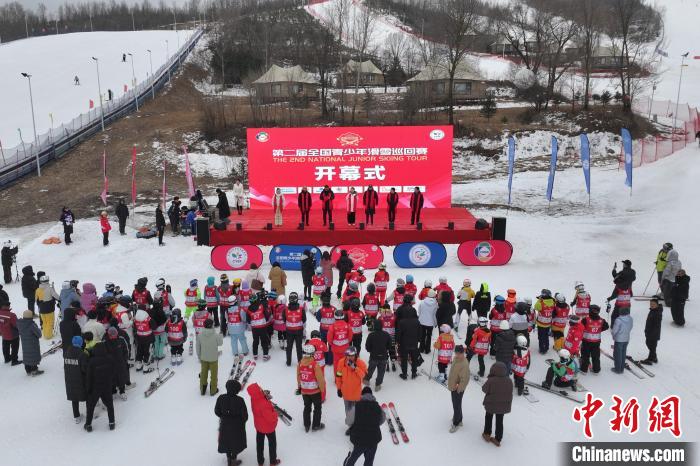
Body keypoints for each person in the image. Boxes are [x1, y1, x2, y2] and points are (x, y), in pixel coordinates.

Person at [343, 386, 385, 466]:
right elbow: (382, 420)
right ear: (372, 396)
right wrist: (374, 424)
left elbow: (348, 421)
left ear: (361, 395)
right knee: (369, 461)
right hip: (373, 440)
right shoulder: (378, 408)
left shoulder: (356, 407)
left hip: (358, 440)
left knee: (352, 458)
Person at [84, 341, 116, 432]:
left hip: (95, 387)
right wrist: (111, 382)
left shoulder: (92, 361)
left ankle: (88, 425)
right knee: (110, 405)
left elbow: (89, 377)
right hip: (107, 386)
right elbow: (113, 371)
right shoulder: (110, 359)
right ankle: (112, 423)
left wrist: (88, 389)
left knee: (91, 406)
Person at [247, 383, 281, 466]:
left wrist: (264, 394)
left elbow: (259, 396)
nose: (261, 389)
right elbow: (271, 418)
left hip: (259, 426)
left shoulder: (253, 399)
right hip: (268, 428)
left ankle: (260, 461)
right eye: (259, 389)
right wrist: (276, 413)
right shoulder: (263, 404)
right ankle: (273, 462)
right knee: (272, 444)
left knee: (259, 444)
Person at [215, 380, 248, 466]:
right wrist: (241, 422)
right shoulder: (240, 400)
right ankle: (233, 461)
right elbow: (245, 415)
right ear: (237, 390)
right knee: (235, 443)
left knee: (227, 442)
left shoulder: (221, 398)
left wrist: (223, 417)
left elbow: (217, 411)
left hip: (224, 425)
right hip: (237, 427)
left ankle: (229, 460)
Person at [481, 361, 513, 447]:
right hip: (503, 406)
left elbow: (484, 389)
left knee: (488, 418)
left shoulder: (491, 380)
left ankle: (487, 434)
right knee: (500, 421)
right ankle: (498, 439)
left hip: (491, 404)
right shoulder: (509, 381)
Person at [337, 347, 368, 430]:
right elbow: (338, 376)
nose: (350, 357)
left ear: (355, 355)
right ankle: (350, 427)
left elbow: (364, 376)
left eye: (352, 355)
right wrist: (339, 388)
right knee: (348, 411)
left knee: (356, 411)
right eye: (348, 356)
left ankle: (357, 426)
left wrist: (355, 368)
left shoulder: (360, 363)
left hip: (356, 394)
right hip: (345, 393)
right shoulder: (341, 362)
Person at [298, 344, 326, 432]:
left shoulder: (300, 364)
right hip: (315, 392)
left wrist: (300, 387)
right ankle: (316, 425)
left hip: (304, 391)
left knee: (307, 407)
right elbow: (320, 379)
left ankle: (306, 425)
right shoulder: (315, 365)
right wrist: (322, 389)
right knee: (317, 408)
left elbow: (298, 377)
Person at [63, 335, 88, 423]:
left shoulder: (66, 352)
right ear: (81, 343)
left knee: (74, 398)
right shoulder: (82, 354)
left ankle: (76, 416)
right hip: (81, 380)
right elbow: (85, 369)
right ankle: (89, 413)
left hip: (70, 379)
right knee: (87, 396)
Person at [198, 319, 224, 396]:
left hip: (203, 358)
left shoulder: (200, 335)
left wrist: (199, 356)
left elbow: (198, 347)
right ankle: (213, 390)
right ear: (212, 325)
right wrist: (221, 335)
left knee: (203, 373)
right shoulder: (215, 335)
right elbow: (220, 343)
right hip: (213, 358)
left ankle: (202, 390)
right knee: (214, 375)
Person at [579, 305, 608, 374]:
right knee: (596, 356)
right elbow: (606, 326)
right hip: (596, 342)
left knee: (585, 355)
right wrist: (599, 330)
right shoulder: (602, 320)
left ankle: (584, 370)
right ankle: (596, 370)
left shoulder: (585, 319)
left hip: (586, 341)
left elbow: (580, 327)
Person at [364, 318, 391, 391]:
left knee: (370, 369)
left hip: (373, 356)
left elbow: (367, 346)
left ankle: (366, 380)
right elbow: (389, 345)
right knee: (381, 372)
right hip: (384, 356)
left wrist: (371, 351)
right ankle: (378, 384)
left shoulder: (371, 335)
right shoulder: (386, 334)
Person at [447, 345, 470, 433]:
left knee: (456, 405)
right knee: (456, 403)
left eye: (458, 353)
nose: (456, 354)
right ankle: (459, 419)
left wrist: (459, 388)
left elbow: (465, 379)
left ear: (462, 353)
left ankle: (456, 423)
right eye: (455, 353)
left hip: (458, 388)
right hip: (453, 386)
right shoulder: (456, 359)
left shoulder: (464, 363)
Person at [396, 301, 421, 380]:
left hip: (404, 344)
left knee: (404, 359)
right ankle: (414, 373)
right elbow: (420, 332)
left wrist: (398, 341)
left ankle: (404, 374)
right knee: (414, 358)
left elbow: (399, 333)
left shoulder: (401, 322)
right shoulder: (417, 321)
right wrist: (419, 340)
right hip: (414, 343)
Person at [105, 327, 129, 399]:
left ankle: (122, 391)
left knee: (121, 378)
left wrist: (125, 360)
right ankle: (113, 391)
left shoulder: (121, 339)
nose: (115, 336)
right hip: (110, 365)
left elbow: (126, 350)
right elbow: (103, 353)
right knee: (112, 379)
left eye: (115, 334)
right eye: (113, 335)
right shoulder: (105, 342)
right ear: (109, 335)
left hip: (121, 364)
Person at [284, 292, 306, 366]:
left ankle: (288, 362)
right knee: (299, 346)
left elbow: (284, 319)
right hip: (298, 330)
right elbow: (304, 319)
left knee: (289, 346)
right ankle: (300, 362)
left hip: (289, 330)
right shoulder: (301, 309)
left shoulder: (286, 309)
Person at [246, 294, 271, 360]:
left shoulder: (248, 308)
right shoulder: (261, 306)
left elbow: (248, 320)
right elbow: (266, 314)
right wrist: (267, 319)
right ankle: (265, 355)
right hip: (262, 326)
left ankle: (255, 354)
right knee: (264, 341)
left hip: (254, 328)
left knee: (255, 341)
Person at [18, 310, 42, 376]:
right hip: (33, 343)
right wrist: (38, 329)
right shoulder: (31, 325)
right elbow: (39, 334)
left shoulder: (20, 324)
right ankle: (34, 370)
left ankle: (28, 370)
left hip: (24, 343)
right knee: (33, 355)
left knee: (27, 355)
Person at [328, 308, 352, 373]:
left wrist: (332, 344)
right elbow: (350, 338)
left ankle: (337, 378)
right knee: (345, 363)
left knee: (336, 364)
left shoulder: (332, 327)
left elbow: (329, 340)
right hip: (345, 348)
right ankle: (345, 377)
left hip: (335, 349)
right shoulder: (348, 325)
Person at [36, 274, 58, 339]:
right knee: (50, 322)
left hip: (41, 308)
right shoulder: (50, 289)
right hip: (49, 308)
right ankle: (48, 336)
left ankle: (45, 334)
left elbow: (36, 299)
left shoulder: (38, 289)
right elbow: (56, 296)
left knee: (44, 322)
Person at [611, 307, 633, 374]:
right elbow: (631, 327)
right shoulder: (630, 318)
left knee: (618, 354)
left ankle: (617, 369)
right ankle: (621, 368)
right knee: (623, 354)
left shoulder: (618, 320)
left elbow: (614, 330)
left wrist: (613, 335)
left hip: (619, 339)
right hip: (626, 338)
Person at [642, 297, 662, 365]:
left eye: (653, 304)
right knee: (649, 344)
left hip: (653, 334)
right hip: (650, 332)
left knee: (652, 346)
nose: (651, 305)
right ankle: (654, 357)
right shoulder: (653, 310)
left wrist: (651, 333)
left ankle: (650, 359)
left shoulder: (657, 312)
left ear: (657, 304)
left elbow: (656, 325)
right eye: (650, 304)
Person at [534, 289, 555, 354]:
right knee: (546, 336)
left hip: (541, 324)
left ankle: (542, 349)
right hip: (548, 323)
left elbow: (536, 307)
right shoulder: (553, 302)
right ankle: (546, 347)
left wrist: (539, 300)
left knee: (541, 337)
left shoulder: (541, 303)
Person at [418, 289, 437, 354]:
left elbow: (419, 311)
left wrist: (420, 319)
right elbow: (435, 314)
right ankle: (427, 349)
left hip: (422, 321)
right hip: (430, 323)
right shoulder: (435, 304)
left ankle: (421, 348)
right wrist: (435, 323)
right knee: (429, 336)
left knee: (422, 335)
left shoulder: (422, 302)